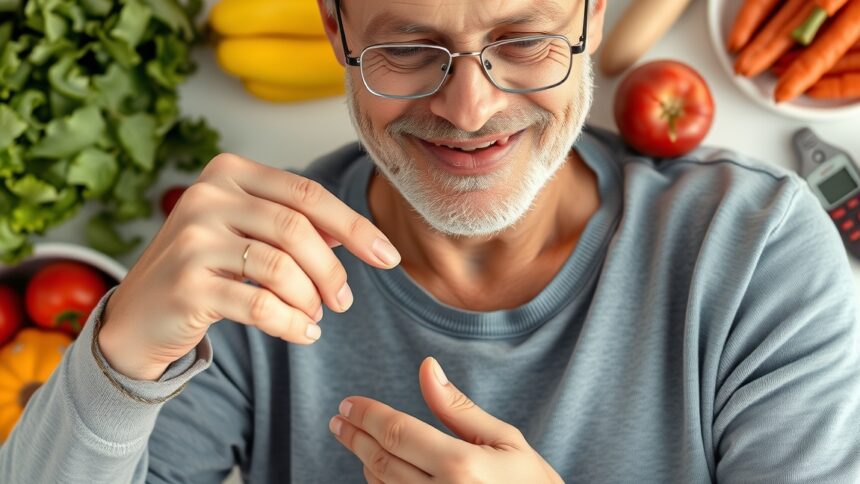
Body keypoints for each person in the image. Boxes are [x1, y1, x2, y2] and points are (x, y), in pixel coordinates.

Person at [2, 0, 859, 482]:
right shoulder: (246, 274)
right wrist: (112, 368)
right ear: (337, 32)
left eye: (522, 40)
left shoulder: (755, 253)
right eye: (410, 48)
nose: (469, 110)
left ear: (594, 16)